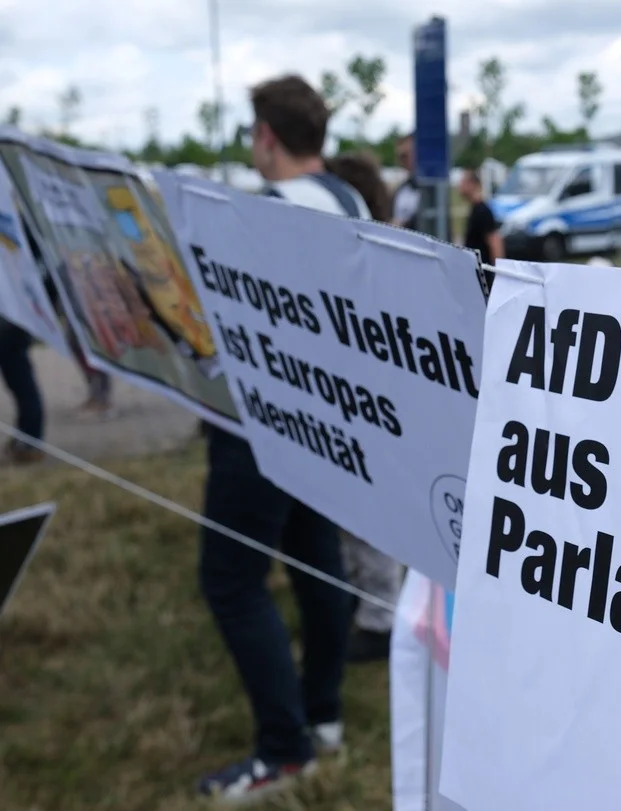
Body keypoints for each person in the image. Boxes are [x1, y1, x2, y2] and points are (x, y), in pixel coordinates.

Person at [196, 73, 370, 804]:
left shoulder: (263, 209)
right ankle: (322, 715)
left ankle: (283, 747)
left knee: (232, 579)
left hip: (261, 419)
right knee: (315, 563)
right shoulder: (349, 198)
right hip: (325, 416)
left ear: (266, 135)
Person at [323, 149, 406, 662]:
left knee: (371, 518)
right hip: (362, 403)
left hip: (374, 409)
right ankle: (365, 598)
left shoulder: (379, 254)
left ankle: (381, 618)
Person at [0, 318, 43, 465]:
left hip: (9, 327)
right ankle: (28, 441)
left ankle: (29, 443)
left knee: (22, 386)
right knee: (22, 385)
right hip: (14, 325)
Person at [457, 169, 503, 265]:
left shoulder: (482, 211)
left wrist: (498, 269)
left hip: (483, 271)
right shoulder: (475, 209)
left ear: (471, 184)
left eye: (462, 182)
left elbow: (495, 242)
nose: (459, 186)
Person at [391, 134, 420, 230]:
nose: (402, 160)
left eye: (406, 155)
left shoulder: (434, 190)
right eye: (401, 156)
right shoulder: (401, 189)